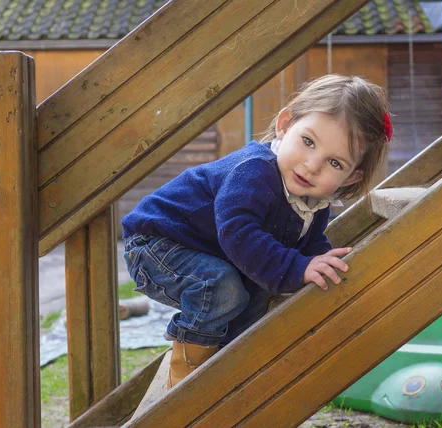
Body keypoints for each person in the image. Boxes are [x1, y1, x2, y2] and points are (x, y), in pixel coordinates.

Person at [122, 74, 392, 388]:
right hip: (155, 244)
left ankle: (227, 365)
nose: (311, 165)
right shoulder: (254, 171)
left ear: (349, 177)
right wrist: (297, 266)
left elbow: (307, 243)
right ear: (285, 125)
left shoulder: (315, 202)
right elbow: (238, 232)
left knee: (258, 290)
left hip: (206, 252)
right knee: (220, 284)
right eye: (308, 142)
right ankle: (185, 380)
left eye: (334, 162)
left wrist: (318, 263)